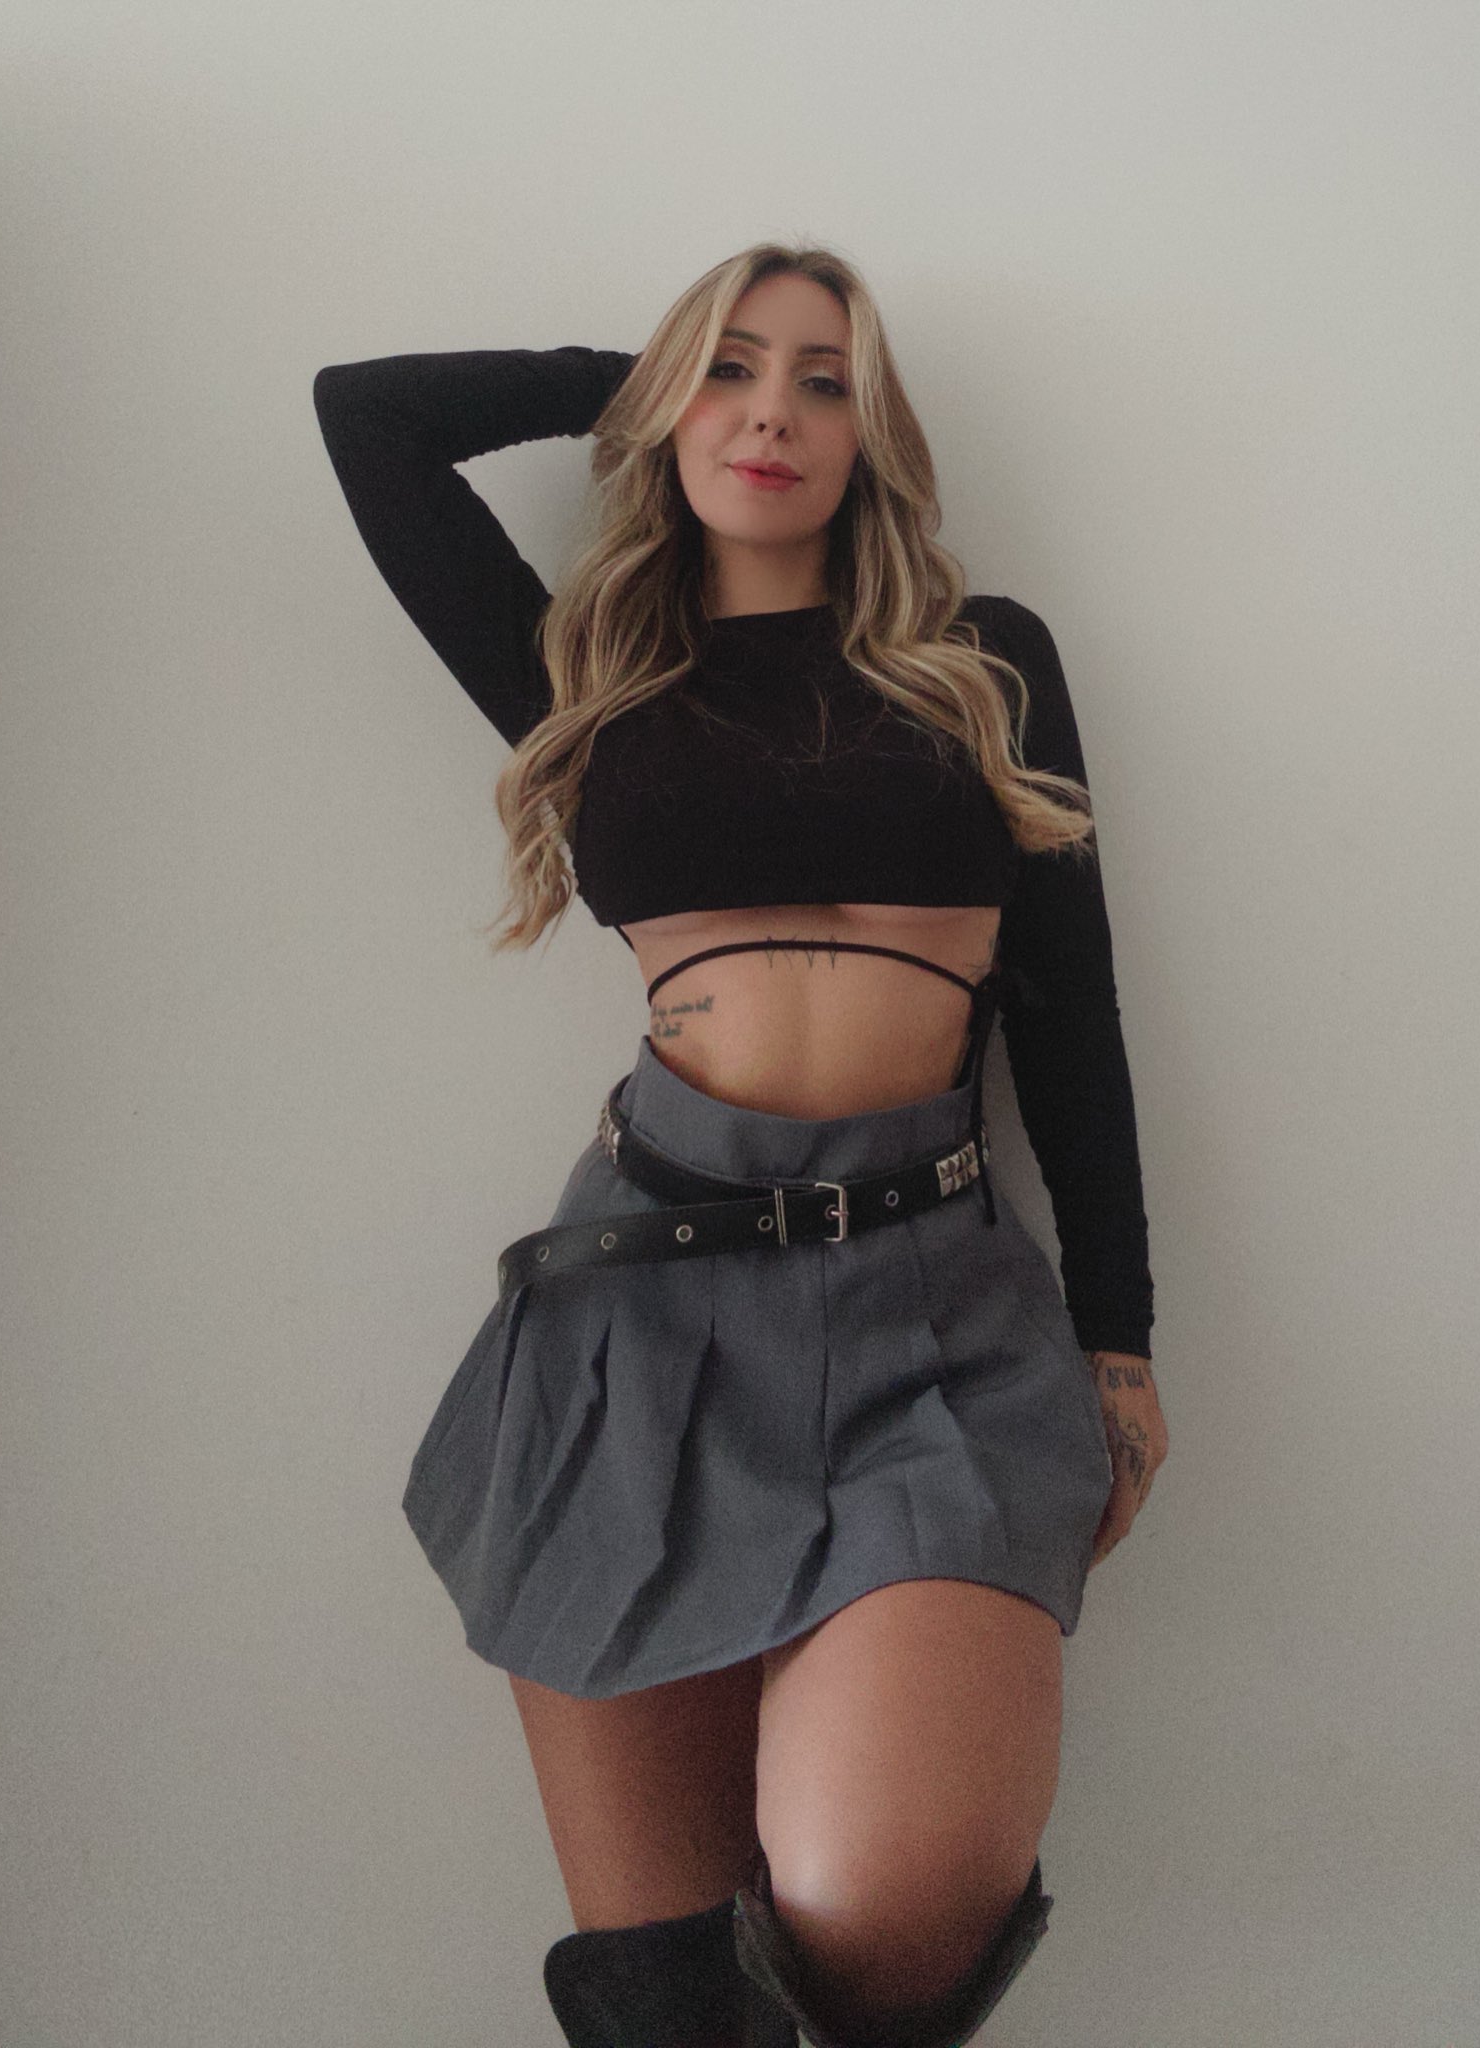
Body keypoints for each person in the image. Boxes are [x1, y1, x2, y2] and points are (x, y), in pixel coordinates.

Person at [313, 240, 1169, 2048]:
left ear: (873, 437)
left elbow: (1071, 1006)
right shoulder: (593, 668)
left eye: (822, 381)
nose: (772, 412)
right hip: (640, 1306)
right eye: (733, 369)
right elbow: (367, 419)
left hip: (932, 1310)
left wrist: (1122, 1332)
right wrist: (634, 372)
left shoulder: (984, 661)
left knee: (877, 1901)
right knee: (670, 1999)